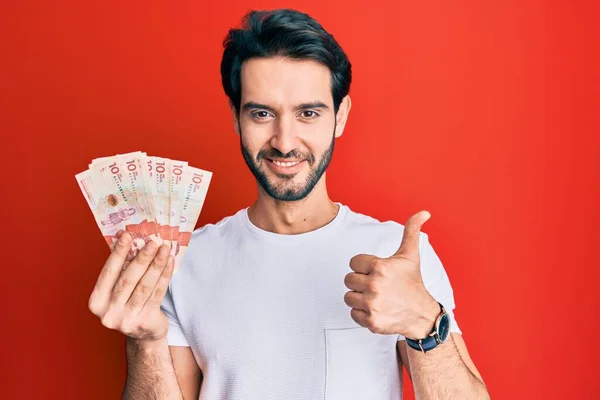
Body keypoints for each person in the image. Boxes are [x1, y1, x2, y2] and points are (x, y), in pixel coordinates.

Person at [88, 8, 490, 400]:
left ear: (340, 116)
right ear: (235, 117)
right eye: (262, 113)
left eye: (308, 113)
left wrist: (424, 322)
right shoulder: (183, 260)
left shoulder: (398, 256)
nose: (284, 141)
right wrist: (145, 342)